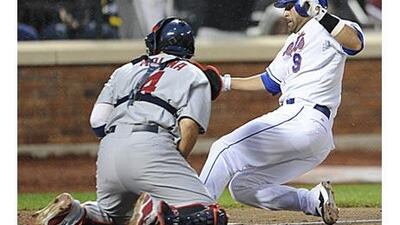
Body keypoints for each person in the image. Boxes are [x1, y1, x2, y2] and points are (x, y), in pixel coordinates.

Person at [32, 17, 227, 225]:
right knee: (210, 216)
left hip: (109, 150)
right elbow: (188, 126)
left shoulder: (124, 70)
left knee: (112, 217)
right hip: (152, 146)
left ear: (156, 43)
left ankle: (73, 214)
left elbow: (97, 122)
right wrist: (168, 160)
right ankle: (153, 215)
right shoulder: (194, 74)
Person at [199, 0, 364, 224]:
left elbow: (354, 43)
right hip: (308, 130)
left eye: (289, 7)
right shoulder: (293, 41)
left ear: (308, 5)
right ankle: (312, 200)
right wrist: (225, 82)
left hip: (304, 115)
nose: (284, 13)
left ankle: (196, 213)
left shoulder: (330, 26)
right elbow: (269, 82)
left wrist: (319, 13)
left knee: (224, 150)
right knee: (243, 187)